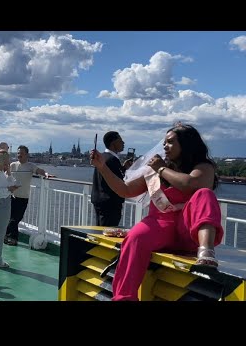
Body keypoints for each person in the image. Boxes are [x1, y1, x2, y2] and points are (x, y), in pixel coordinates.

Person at [90, 123, 224, 301]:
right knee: (135, 237)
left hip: (188, 229)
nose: (164, 146)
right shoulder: (154, 170)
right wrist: (102, 167)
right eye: (164, 142)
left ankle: (207, 252)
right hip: (159, 224)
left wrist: (161, 169)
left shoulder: (203, 167)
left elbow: (192, 184)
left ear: (186, 144)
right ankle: (124, 297)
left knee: (205, 194)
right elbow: (125, 190)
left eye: (170, 142)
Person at [5, 145, 54, 246]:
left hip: (23, 198)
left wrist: (46, 174)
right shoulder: (13, 165)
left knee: (15, 219)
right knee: (9, 218)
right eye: (18, 153)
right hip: (11, 196)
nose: (19, 155)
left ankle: (9, 237)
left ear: (27, 154)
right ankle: (12, 238)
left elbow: (40, 171)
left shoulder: (30, 166)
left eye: (22, 153)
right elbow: (4, 175)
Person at [91, 131, 132, 226]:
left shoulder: (102, 157)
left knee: (100, 229)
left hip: (99, 200)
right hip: (110, 203)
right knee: (107, 232)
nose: (123, 143)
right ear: (113, 143)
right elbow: (119, 181)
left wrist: (123, 168)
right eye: (120, 140)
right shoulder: (112, 159)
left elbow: (109, 176)